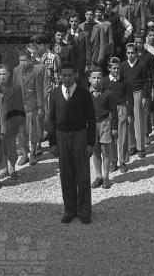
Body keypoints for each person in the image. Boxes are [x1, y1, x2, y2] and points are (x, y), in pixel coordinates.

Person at [48, 62, 96, 224]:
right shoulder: (54, 94)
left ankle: (85, 211)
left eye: (70, 75)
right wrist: (52, 142)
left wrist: (90, 143)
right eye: (64, 75)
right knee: (66, 175)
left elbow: (91, 120)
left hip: (80, 135)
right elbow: (51, 119)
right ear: (60, 76)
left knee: (82, 175)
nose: (67, 78)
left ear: (75, 75)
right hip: (61, 137)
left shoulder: (84, 94)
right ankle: (70, 210)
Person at [13, 49, 45, 165]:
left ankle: (32, 154)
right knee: (21, 132)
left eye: (25, 60)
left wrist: (40, 107)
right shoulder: (16, 70)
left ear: (30, 60)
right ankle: (24, 155)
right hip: (19, 106)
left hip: (32, 105)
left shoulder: (36, 71)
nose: (23, 62)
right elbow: (14, 88)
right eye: (21, 60)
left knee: (33, 131)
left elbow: (39, 90)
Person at [88, 67, 118, 189]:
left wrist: (114, 127)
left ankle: (106, 177)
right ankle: (98, 176)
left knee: (106, 151)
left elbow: (114, 111)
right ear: (89, 79)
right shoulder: (87, 94)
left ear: (103, 79)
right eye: (94, 78)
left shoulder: (108, 93)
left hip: (105, 123)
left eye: (99, 78)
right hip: (91, 125)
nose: (97, 80)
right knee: (95, 151)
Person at [0, 62, 25, 178]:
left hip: (11, 122)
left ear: (9, 74)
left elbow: (19, 105)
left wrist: (20, 122)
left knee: (11, 147)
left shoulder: (15, 88)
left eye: (4, 74)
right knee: (1, 147)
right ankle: (5, 168)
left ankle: (12, 168)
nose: (2, 77)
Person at [121, 42, 150, 158]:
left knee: (139, 121)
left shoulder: (142, 65)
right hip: (127, 95)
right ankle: (131, 145)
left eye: (132, 53)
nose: (130, 55)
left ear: (136, 53)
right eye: (128, 53)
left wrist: (145, 96)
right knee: (129, 120)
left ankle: (141, 147)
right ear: (126, 53)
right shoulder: (123, 65)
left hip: (138, 93)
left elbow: (146, 81)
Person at [103, 57, 130, 172]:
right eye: (114, 68)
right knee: (111, 136)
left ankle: (122, 161)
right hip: (109, 111)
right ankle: (113, 161)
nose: (116, 70)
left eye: (118, 68)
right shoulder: (104, 81)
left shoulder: (124, 81)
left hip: (122, 108)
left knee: (123, 136)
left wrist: (130, 114)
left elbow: (129, 97)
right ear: (109, 68)